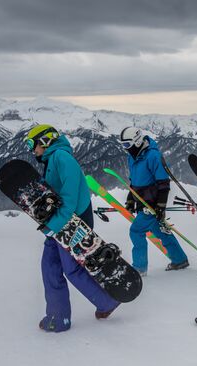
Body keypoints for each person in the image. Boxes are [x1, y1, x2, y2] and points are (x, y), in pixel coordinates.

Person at [25, 124, 119, 333]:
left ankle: (107, 302)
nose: (33, 150)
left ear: (46, 140)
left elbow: (69, 199)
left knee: (71, 268)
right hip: (60, 221)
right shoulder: (51, 160)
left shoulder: (63, 159)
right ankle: (58, 317)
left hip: (74, 221)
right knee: (50, 266)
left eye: (33, 144)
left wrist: (54, 226)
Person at [119, 127, 189, 276]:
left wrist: (160, 206)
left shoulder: (153, 156)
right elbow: (134, 182)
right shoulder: (132, 157)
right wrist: (131, 200)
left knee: (136, 231)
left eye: (127, 145)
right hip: (142, 203)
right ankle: (180, 259)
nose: (125, 149)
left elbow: (163, 183)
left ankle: (139, 268)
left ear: (136, 141)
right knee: (160, 232)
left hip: (152, 204)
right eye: (123, 145)